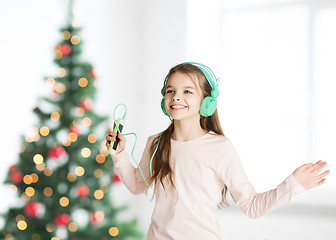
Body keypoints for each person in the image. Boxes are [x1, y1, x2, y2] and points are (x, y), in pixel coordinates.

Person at [106, 62, 330, 240]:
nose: (176, 97)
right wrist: (119, 154)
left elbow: (251, 206)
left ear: (207, 102)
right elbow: (137, 185)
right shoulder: (155, 143)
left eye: (187, 91)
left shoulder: (220, 148)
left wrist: (294, 184)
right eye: (170, 91)